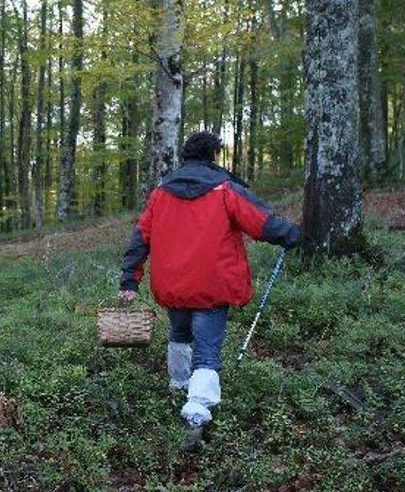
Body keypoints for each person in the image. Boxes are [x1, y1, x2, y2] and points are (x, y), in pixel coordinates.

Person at [118, 132, 300, 449]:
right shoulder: (224, 189)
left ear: (185, 157)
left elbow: (140, 238)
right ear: (213, 156)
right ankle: (197, 413)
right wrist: (293, 234)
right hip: (212, 285)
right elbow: (261, 222)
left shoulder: (161, 193)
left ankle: (177, 386)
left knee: (179, 334)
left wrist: (129, 280)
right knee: (207, 353)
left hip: (173, 284)